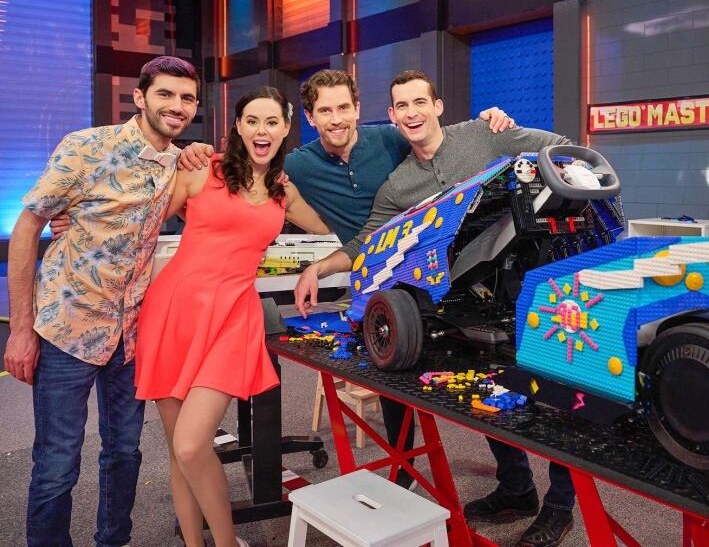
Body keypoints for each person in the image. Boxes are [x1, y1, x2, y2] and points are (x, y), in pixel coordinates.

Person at [179, 68, 514, 490]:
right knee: (394, 386)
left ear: (358, 109)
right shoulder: (298, 164)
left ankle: (514, 483)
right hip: (375, 286)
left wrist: (493, 122)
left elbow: (434, 135)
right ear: (309, 118)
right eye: (324, 111)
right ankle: (402, 475)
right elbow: (245, 169)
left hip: (446, 271)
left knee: (478, 377)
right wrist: (194, 153)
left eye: (343, 108)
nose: (335, 119)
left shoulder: (391, 139)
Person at [293, 70, 577, 547]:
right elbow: (369, 242)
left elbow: (560, 148)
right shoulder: (399, 185)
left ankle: (560, 507)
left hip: (544, 289)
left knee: (557, 404)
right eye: (402, 106)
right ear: (392, 116)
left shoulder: (485, 134)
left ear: (438, 105)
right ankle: (517, 490)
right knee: (496, 397)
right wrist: (317, 269)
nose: (412, 113)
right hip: (481, 307)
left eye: (419, 102)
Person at [4, 56, 209, 547]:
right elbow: (29, 224)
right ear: (139, 97)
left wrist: (195, 152)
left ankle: (112, 541)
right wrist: (19, 328)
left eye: (186, 98)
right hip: (67, 329)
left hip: (130, 336)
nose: (175, 106)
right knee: (57, 462)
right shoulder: (86, 147)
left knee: (125, 453)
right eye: (164, 94)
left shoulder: (176, 164)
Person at [135, 86, 330, 547]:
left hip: (232, 318)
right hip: (173, 312)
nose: (262, 130)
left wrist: (321, 266)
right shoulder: (205, 170)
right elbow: (139, 223)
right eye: (252, 121)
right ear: (238, 127)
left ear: (285, 130)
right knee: (181, 453)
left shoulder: (285, 191)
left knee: (190, 444)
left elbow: (330, 233)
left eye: (272, 122)